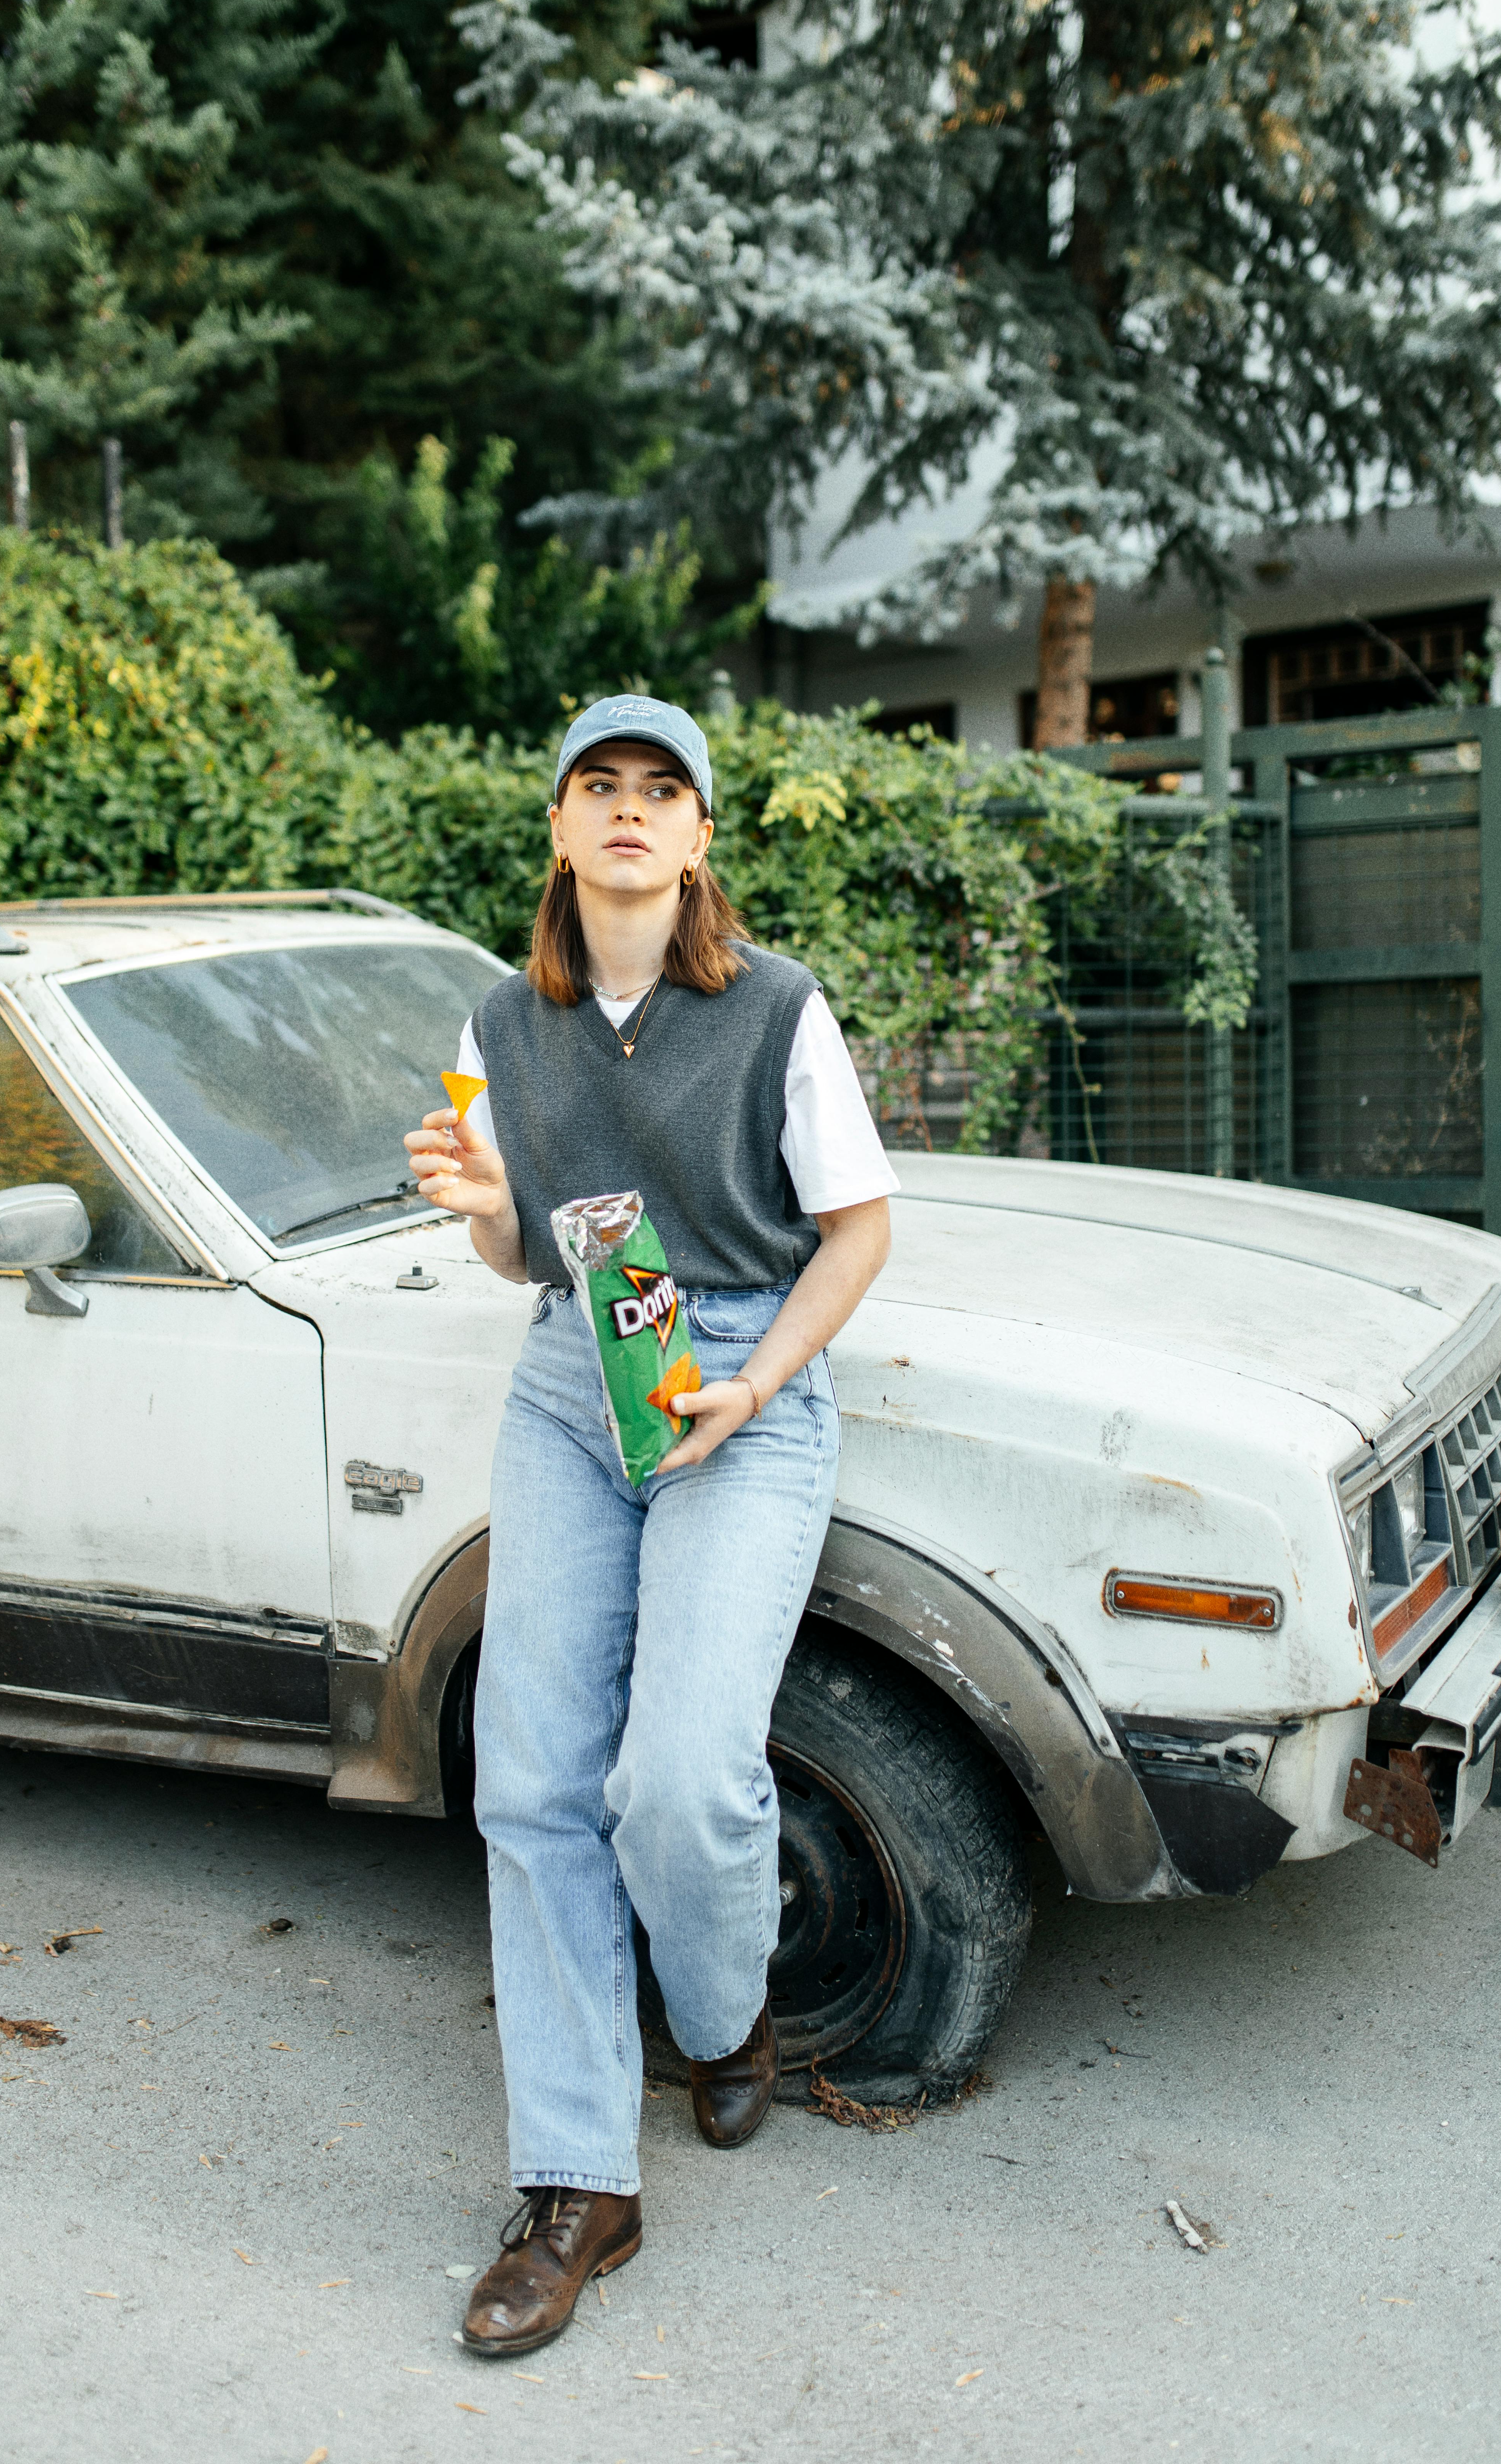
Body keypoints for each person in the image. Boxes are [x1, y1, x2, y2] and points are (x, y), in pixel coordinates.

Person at [403, 695, 894, 2360]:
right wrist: (485, 1214)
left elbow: (859, 1229)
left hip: (735, 1389)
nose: (627, 811)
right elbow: (520, 1253)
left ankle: (724, 2007)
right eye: (597, 787)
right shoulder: (501, 1017)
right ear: (559, 829)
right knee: (537, 1781)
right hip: (570, 1388)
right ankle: (576, 2186)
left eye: (659, 790)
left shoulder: (774, 1010)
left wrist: (753, 1389)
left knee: (678, 1778)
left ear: (697, 836)